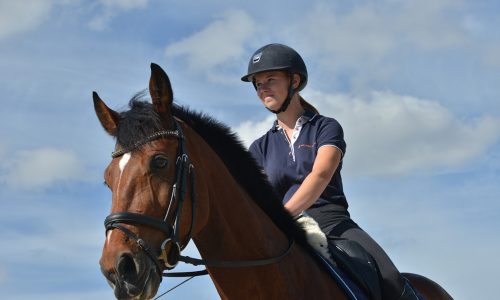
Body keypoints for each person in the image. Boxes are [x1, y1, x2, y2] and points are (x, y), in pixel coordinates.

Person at [241, 43, 420, 300]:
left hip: (332, 221)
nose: (262, 88)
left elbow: (321, 174)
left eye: (270, 79)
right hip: (286, 230)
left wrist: (283, 215)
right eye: (257, 83)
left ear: (294, 80)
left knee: (390, 279)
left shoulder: (326, 127)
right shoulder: (259, 147)